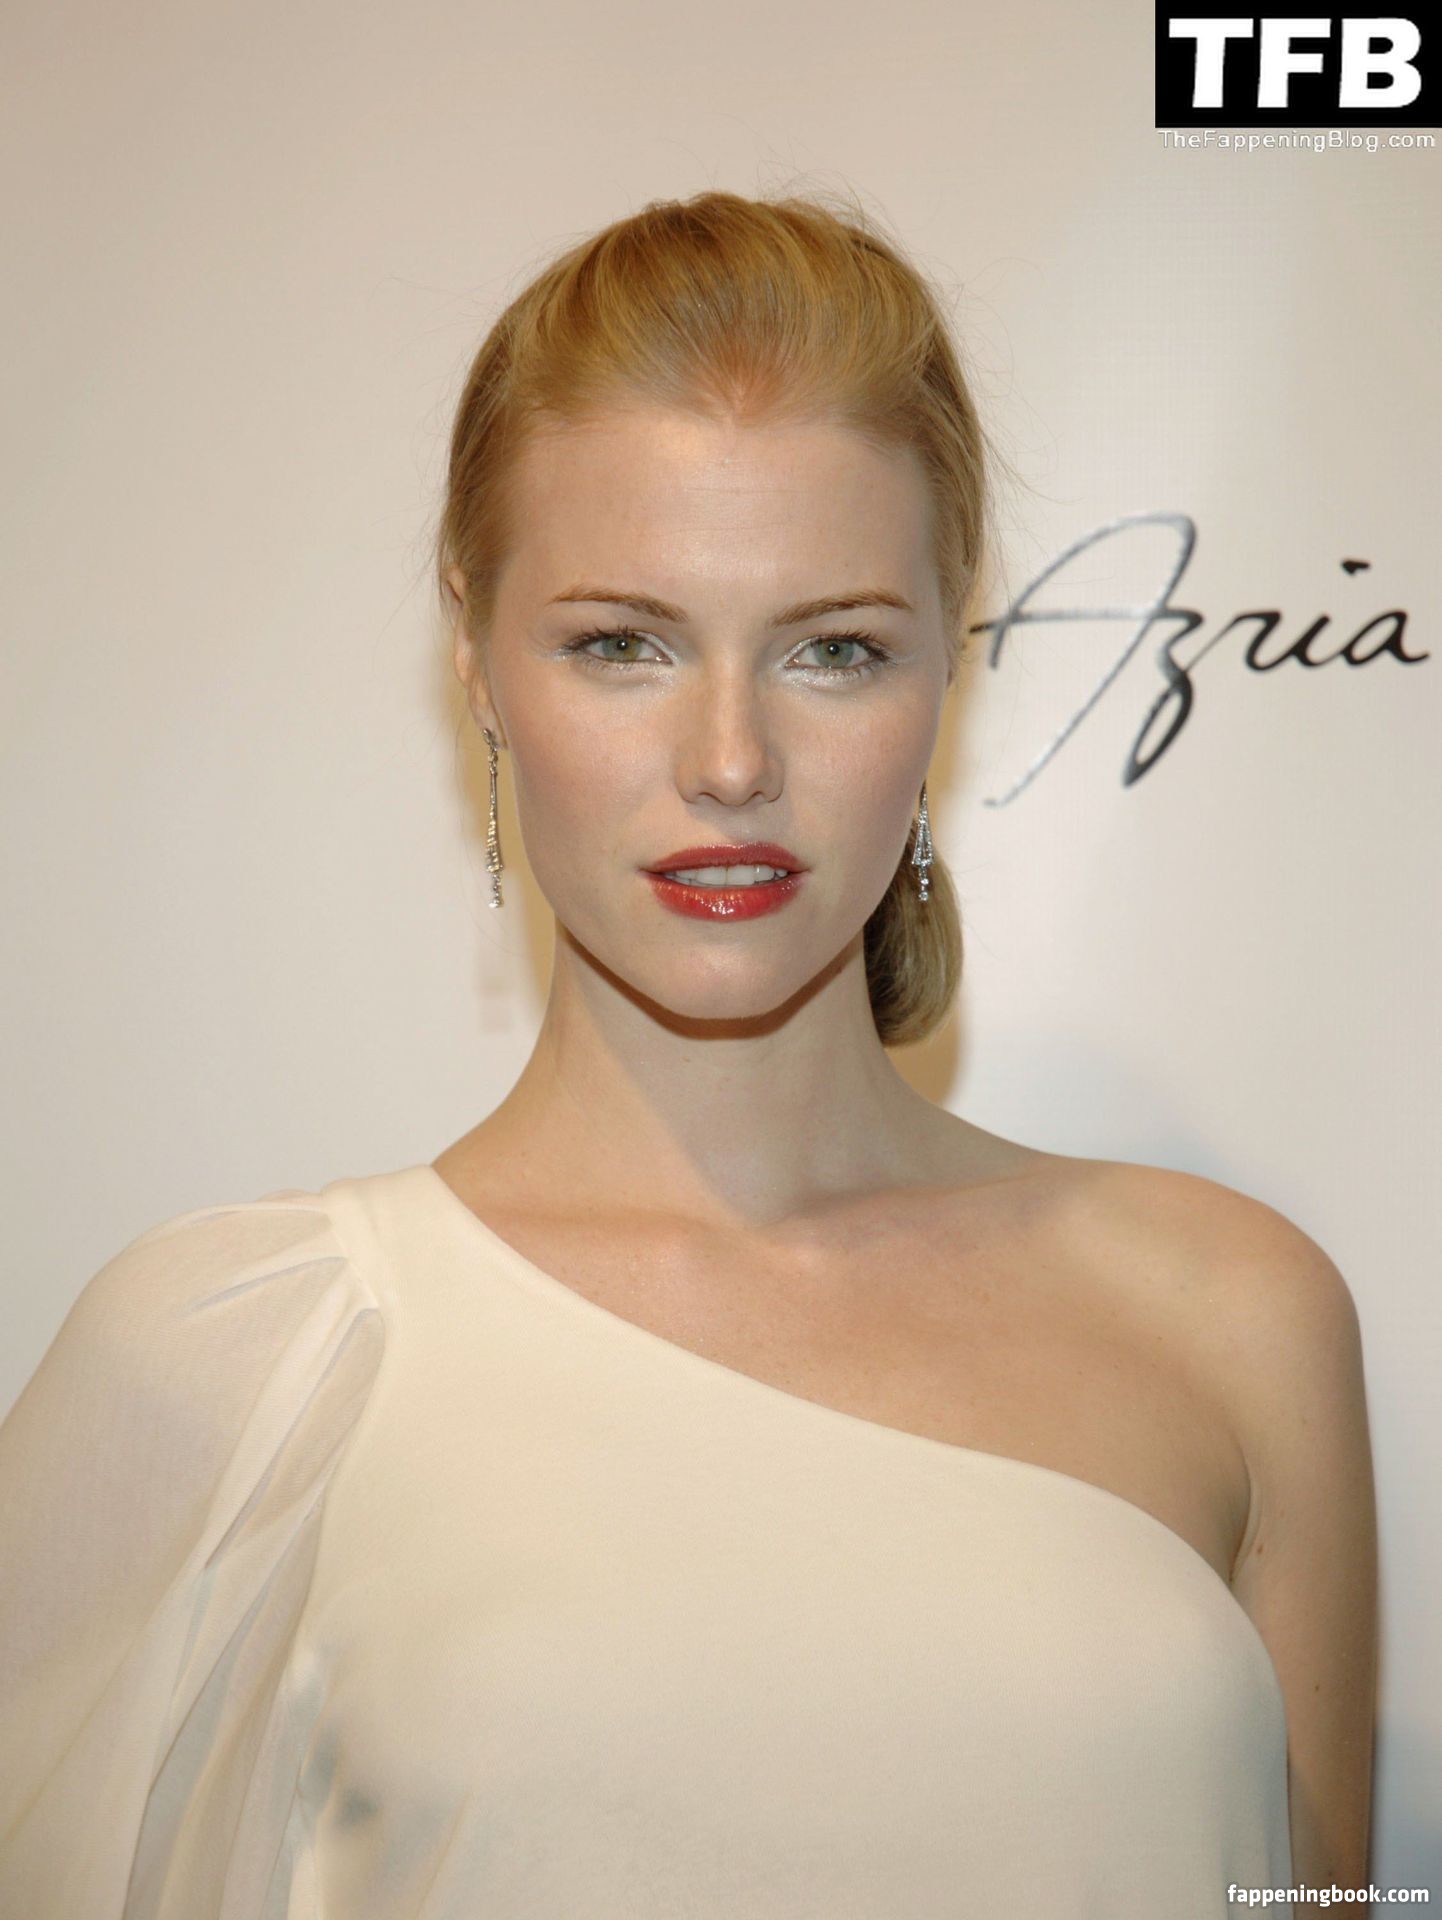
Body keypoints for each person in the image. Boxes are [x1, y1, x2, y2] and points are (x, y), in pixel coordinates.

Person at [0, 186, 1376, 1917]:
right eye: (621, 645)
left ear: (944, 663)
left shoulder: (1232, 1313)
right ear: (474, 660)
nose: (730, 760)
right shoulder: (245, 1355)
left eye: (833, 650)